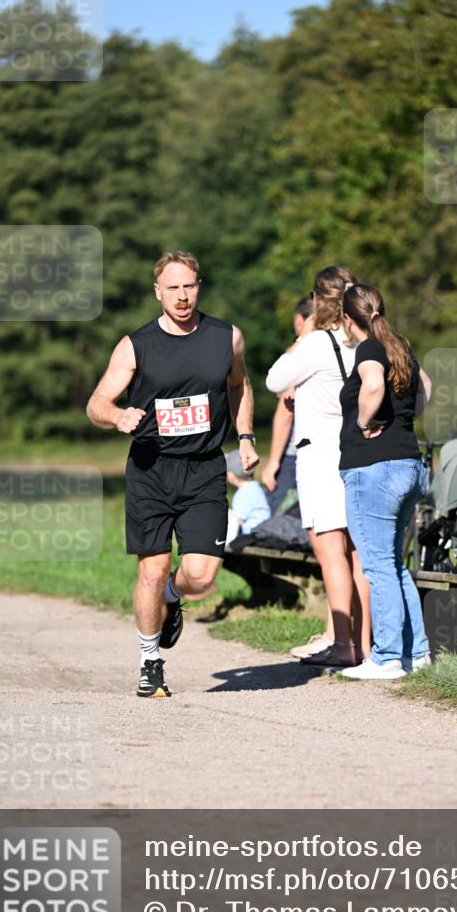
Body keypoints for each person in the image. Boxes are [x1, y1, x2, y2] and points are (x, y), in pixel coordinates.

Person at [86, 250, 259, 698]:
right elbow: (96, 403)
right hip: (151, 468)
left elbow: (239, 385)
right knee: (152, 567)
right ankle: (150, 660)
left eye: (190, 287)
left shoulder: (227, 337)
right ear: (158, 291)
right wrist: (117, 415)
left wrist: (245, 437)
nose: (182, 297)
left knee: (200, 577)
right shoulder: (135, 344)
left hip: (204, 468)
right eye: (173, 288)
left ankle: (172, 596)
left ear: (199, 287)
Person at [266, 266, 372, 667]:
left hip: (321, 458)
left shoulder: (315, 344)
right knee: (358, 552)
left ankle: (342, 644)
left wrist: (304, 333)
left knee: (331, 553)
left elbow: (275, 379)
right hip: (359, 454)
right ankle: (364, 644)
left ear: (317, 301)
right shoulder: (366, 340)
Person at [337, 283, 432, 680]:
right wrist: (402, 420)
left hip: (374, 469)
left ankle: (388, 657)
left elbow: (373, 384)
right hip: (409, 463)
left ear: (346, 319)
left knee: (377, 566)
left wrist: (363, 423)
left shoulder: (369, 348)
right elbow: (427, 389)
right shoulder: (401, 346)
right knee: (393, 563)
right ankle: (418, 653)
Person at [261, 296, 314, 516]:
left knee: (281, 522)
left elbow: (284, 408)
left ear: (301, 321)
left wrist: (273, 462)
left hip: (296, 455)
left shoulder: (306, 351)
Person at [226, 449, 271, 538]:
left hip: (251, 534)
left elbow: (237, 521)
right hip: (263, 530)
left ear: (231, 475)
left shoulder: (243, 494)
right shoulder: (255, 487)